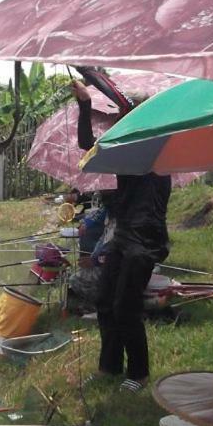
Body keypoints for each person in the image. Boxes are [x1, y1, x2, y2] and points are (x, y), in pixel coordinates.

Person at [72, 78, 171, 393]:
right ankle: (109, 367)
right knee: (104, 301)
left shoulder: (155, 148)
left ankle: (139, 373)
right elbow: (88, 143)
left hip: (146, 239)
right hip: (125, 234)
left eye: (123, 116)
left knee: (126, 307)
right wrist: (85, 103)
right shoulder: (128, 148)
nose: (117, 122)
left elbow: (144, 200)